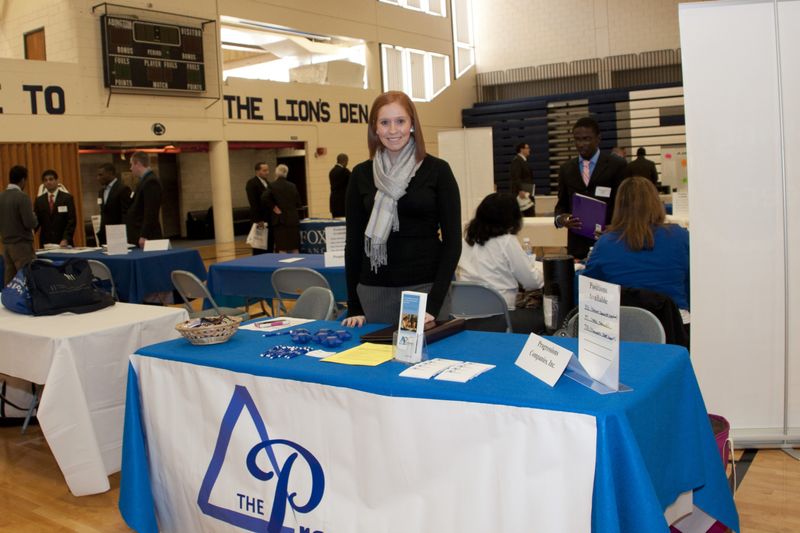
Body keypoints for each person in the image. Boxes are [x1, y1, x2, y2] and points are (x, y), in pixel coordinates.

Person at [342, 90, 461, 327]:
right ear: (375, 128)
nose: (393, 130)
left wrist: (434, 304)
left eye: (400, 121)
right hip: (374, 293)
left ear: (412, 125)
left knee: (423, 362)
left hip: (423, 293)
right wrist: (354, 305)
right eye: (385, 122)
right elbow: (353, 243)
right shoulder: (360, 175)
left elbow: (452, 243)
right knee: (378, 363)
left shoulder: (438, 171)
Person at [581, 176, 690, 321]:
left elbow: (588, 289)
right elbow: (694, 283)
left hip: (625, 328)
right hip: (676, 328)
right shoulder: (681, 237)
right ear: (656, 202)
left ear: (619, 205)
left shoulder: (605, 243)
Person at [457, 193, 545, 333]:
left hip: (466, 318)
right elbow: (532, 282)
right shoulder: (506, 241)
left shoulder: (465, 240)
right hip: (500, 318)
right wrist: (548, 272)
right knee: (548, 316)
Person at [554, 116, 627, 260]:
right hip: (577, 247)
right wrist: (561, 219)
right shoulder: (566, 169)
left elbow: (626, 205)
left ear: (598, 138)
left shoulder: (617, 165)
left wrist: (613, 228)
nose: (581, 144)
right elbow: (561, 204)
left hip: (610, 243)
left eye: (586, 139)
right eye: (577, 139)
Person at [0, 166, 37, 284]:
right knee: (27, 279)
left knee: (10, 280)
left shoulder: (1, 197)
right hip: (22, 246)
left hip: (6, 245)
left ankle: (8, 302)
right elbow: (29, 222)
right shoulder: (22, 197)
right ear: (23, 180)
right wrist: (35, 216)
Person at [125, 151, 163, 247]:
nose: (130, 168)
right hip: (137, 233)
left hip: (147, 236)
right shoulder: (143, 181)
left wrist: (144, 235)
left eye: (131, 165)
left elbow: (151, 211)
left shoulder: (151, 182)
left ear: (138, 164)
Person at [263, 164, 301, 253]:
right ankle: (298, 266)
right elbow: (298, 202)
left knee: (282, 247)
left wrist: (274, 207)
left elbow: (264, 197)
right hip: (292, 220)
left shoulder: (272, 185)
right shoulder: (292, 186)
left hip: (280, 220)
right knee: (294, 246)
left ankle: (283, 266)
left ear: (276, 173)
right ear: (286, 173)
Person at [33, 169, 77, 247]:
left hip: (63, 242)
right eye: (45, 180)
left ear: (57, 181)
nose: (48, 182)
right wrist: (30, 233)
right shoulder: (39, 200)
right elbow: (36, 221)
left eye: (51, 179)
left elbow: (71, 221)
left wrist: (66, 239)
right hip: (46, 242)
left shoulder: (67, 198)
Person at [96, 163, 132, 245]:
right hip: (104, 235)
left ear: (110, 173)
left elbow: (126, 214)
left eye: (101, 175)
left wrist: (125, 234)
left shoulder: (123, 189)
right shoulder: (101, 192)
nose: (98, 178)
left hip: (118, 234)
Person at [245, 162, 273, 254]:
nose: (267, 172)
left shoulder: (268, 183)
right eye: (264, 170)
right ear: (257, 171)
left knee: (269, 244)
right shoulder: (252, 183)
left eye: (267, 170)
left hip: (269, 218)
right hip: (259, 219)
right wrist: (259, 220)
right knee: (259, 246)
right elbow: (253, 203)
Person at [509, 142, 535, 216]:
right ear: (521, 150)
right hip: (523, 193)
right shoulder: (517, 161)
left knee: (530, 214)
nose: (529, 150)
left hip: (527, 191)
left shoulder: (523, 161)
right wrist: (520, 190)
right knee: (529, 215)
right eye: (527, 148)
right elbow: (516, 177)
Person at [329, 153, 350, 218]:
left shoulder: (332, 171)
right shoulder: (344, 171)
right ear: (345, 161)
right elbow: (352, 184)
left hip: (333, 202)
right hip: (342, 203)